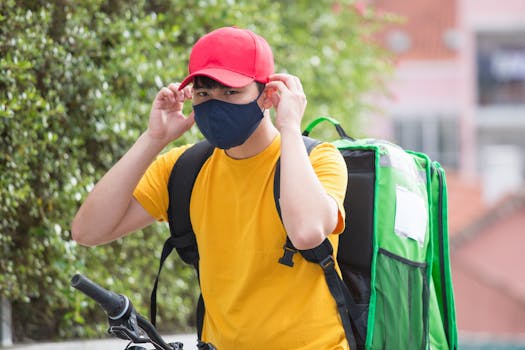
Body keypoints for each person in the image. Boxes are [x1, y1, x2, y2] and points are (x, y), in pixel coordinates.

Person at [72, 26, 349, 349]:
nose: (215, 105)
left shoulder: (318, 159)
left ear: (268, 94)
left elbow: (306, 232)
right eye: (204, 94)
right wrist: (154, 139)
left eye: (231, 92)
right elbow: (87, 232)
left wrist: (289, 125)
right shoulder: (184, 169)